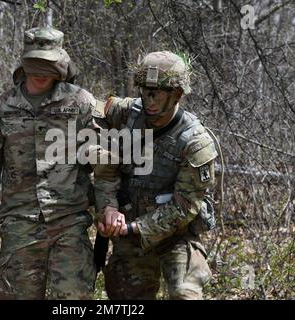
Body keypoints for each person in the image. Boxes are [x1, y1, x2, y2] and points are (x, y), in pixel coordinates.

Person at [0, 27, 117, 300]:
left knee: (74, 299)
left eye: (47, 65)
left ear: (61, 63)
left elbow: (104, 165)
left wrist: (108, 206)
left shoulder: (81, 104)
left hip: (69, 222)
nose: (40, 73)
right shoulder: (1, 108)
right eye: (34, 64)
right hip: (19, 223)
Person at [94, 51, 218, 300]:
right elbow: (85, 113)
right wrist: (107, 208)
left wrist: (132, 228)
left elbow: (183, 208)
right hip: (128, 235)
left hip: (176, 236)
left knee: (186, 293)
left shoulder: (195, 141)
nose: (149, 100)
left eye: (157, 93)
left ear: (177, 95)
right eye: (145, 91)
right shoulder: (126, 113)